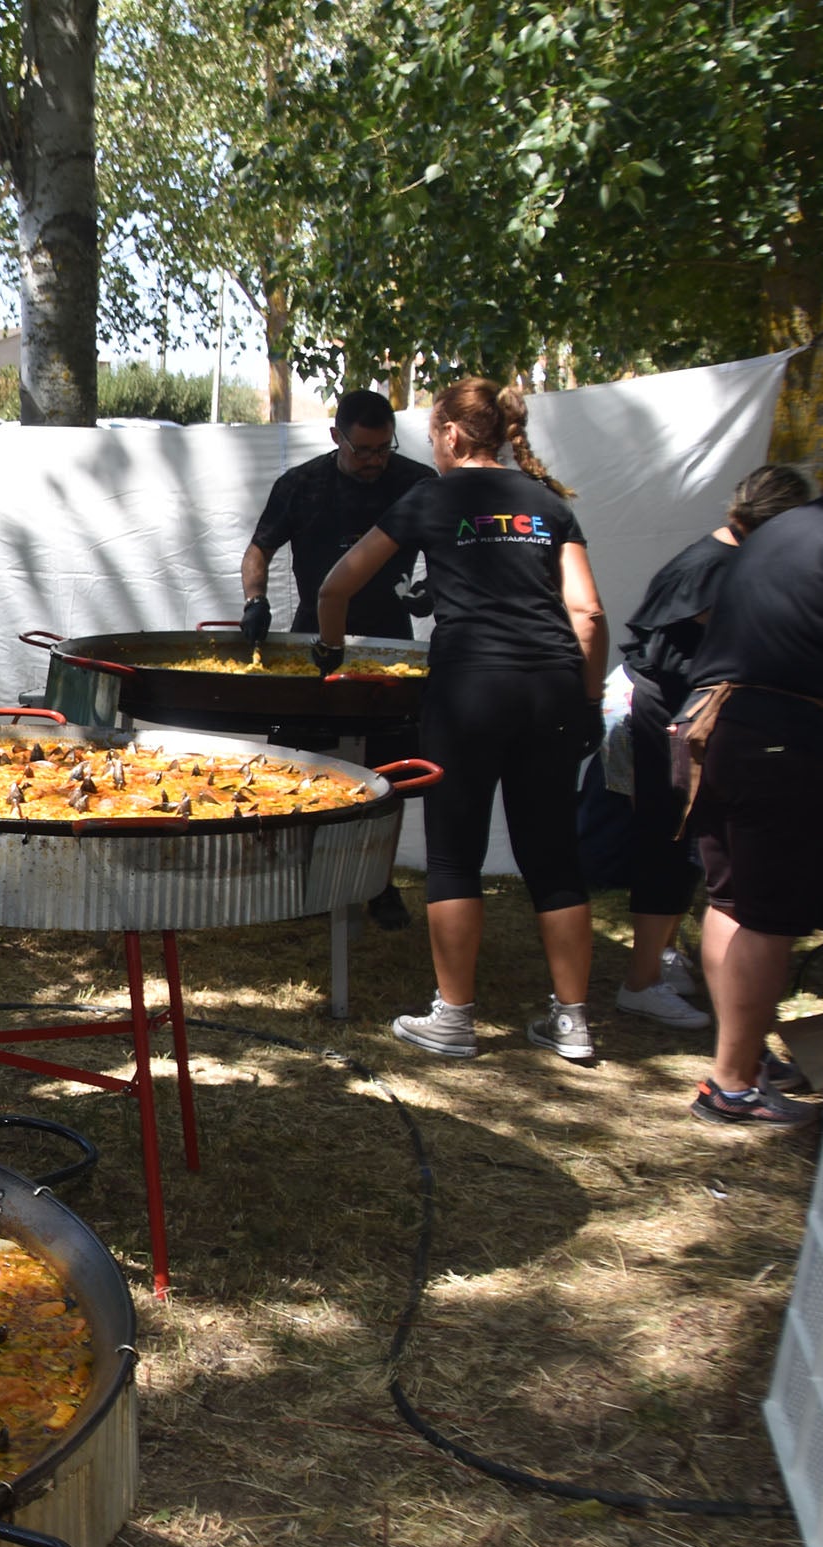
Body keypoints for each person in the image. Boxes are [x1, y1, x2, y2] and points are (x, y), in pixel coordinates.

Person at [314, 378, 608, 1062]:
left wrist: (330, 648)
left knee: (453, 853)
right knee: (553, 854)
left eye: (430, 436)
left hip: (468, 689)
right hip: (551, 691)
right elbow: (588, 615)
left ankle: (453, 1017)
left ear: (449, 433)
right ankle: (571, 1022)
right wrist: (588, 700)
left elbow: (336, 584)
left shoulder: (429, 497)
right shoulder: (547, 502)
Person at [680, 406, 823, 1127]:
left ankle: (743, 1059)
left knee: (730, 903)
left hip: (713, 727)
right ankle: (730, 1084)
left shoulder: (783, 527)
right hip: (786, 740)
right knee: (767, 916)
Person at [612, 465, 813, 1032]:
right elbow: (678, 656)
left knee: (681, 842)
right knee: (666, 841)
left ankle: (660, 959)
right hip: (664, 713)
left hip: (675, 711)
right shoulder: (712, 568)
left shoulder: (727, 560)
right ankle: (641, 981)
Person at [238, 389, 436, 928]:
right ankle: (298, 876)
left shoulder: (417, 483)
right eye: (362, 450)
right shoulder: (302, 485)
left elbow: (446, 552)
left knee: (387, 770)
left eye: (382, 449)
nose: (374, 461)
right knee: (304, 762)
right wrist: (255, 600)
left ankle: (379, 882)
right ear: (336, 438)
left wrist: (433, 585)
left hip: (390, 645)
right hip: (314, 643)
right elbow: (259, 550)